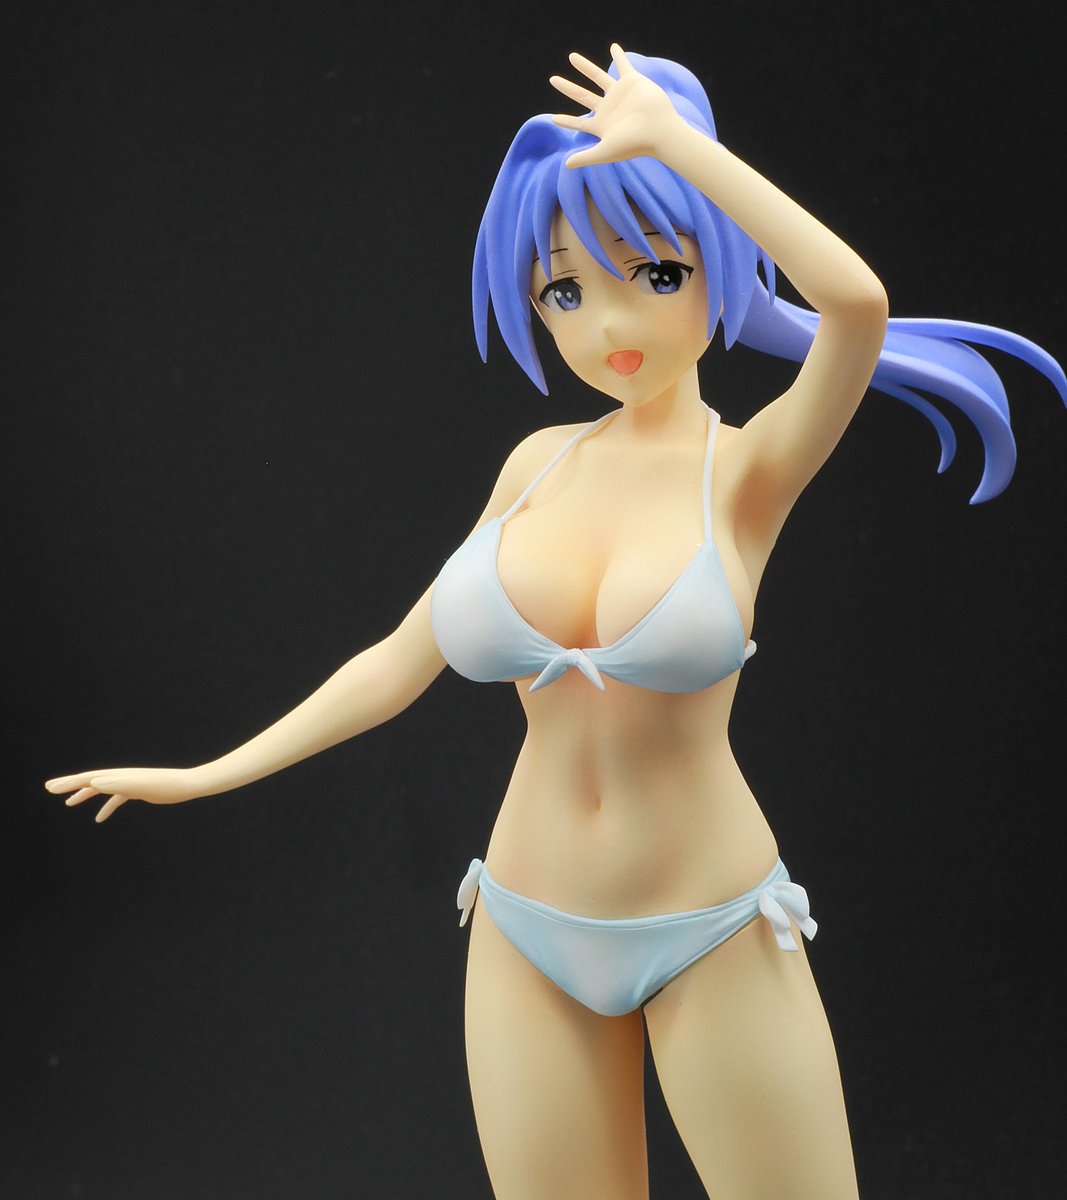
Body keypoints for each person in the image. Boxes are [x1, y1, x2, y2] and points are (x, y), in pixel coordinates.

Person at [46, 45, 1064, 1200]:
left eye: (656, 272)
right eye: (564, 291)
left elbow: (856, 305)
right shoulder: (534, 464)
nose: (607, 323)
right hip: (523, 927)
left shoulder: (744, 472)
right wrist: (208, 774)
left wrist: (679, 148)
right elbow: (396, 662)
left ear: (717, 266)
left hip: (709, 923)